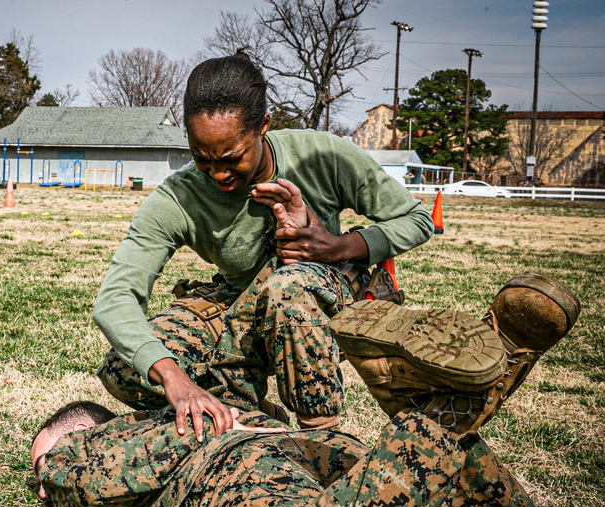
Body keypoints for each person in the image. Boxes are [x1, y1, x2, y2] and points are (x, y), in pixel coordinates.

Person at [34, 273, 581, 507]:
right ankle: (472, 379)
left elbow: (77, 487)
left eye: (42, 458)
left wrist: (50, 470)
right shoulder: (212, 413)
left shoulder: (117, 438)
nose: (42, 481)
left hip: (262, 494)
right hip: (347, 490)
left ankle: (434, 417)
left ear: (84, 430)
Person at [93, 52, 434, 441]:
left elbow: (417, 221)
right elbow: (115, 297)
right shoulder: (178, 198)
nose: (218, 173)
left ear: (263, 127)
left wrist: (336, 247)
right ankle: (249, 417)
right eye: (201, 158)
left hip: (323, 297)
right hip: (241, 307)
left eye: (231, 157)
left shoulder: (324, 156)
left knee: (285, 289)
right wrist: (174, 379)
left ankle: (322, 440)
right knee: (127, 365)